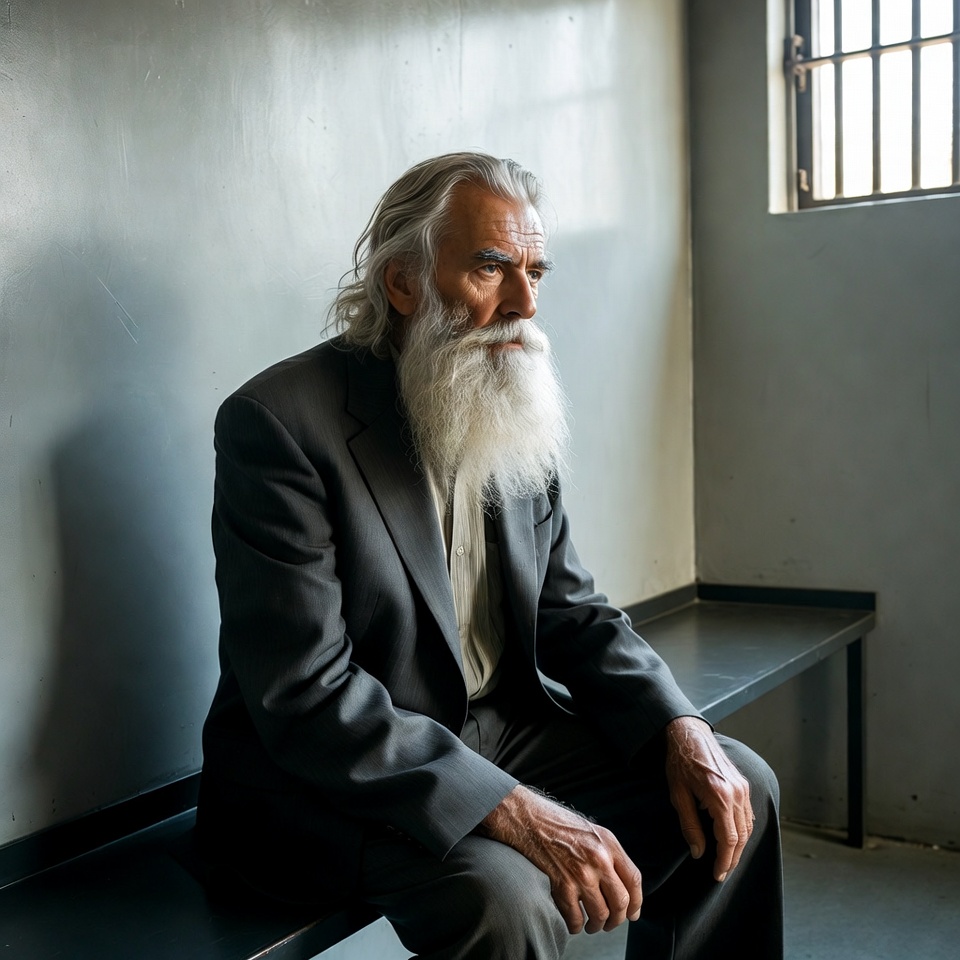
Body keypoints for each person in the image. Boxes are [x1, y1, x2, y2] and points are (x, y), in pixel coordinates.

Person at [196, 152, 783, 959]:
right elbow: (306, 694)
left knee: (736, 785)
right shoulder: (280, 425)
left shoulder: (507, 391)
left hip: (503, 732)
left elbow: (573, 612)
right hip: (328, 780)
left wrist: (680, 725)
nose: (525, 303)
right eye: (490, 268)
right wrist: (515, 809)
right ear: (403, 283)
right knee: (505, 900)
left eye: (536, 270)